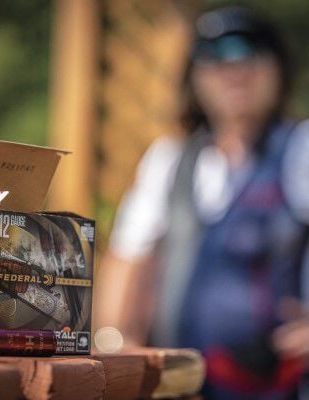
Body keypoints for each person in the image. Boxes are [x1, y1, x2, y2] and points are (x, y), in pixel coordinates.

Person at [95, 6, 309, 400]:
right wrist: (116, 347)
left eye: (251, 53)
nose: (235, 69)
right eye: (216, 58)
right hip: (183, 386)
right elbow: (128, 260)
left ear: (279, 68)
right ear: (193, 78)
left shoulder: (301, 148)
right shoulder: (170, 160)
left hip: (274, 385)